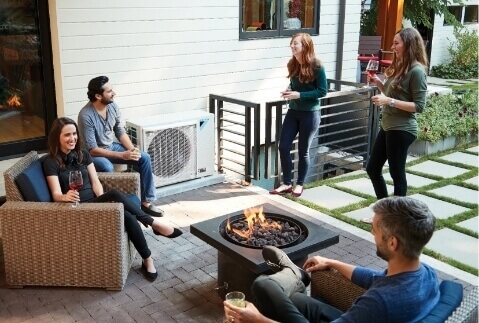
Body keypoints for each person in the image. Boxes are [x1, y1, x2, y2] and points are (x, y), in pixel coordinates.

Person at [223, 196, 439, 322]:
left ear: (392, 243)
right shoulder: (425, 274)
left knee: (263, 285)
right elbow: (375, 278)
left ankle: (293, 274)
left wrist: (257, 320)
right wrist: (333, 263)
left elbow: (379, 294)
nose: (372, 234)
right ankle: (294, 275)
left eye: (374, 229)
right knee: (290, 298)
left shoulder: (378, 303)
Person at [43, 117, 183, 282]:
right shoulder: (50, 162)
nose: (72, 138)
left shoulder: (83, 155)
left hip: (96, 203)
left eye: (74, 134)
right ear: (57, 137)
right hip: (78, 208)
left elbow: (96, 183)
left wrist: (103, 202)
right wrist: (65, 196)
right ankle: (153, 224)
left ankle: (147, 259)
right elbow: (56, 194)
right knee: (117, 195)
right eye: (67, 135)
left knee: (126, 212)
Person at [77, 76, 163, 217]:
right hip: (93, 155)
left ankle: (146, 202)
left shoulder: (112, 106)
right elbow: (92, 149)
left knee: (144, 157)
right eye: (109, 91)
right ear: (98, 96)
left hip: (110, 146)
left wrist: (132, 150)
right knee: (107, 167)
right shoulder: (86, 115)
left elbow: (119, 131)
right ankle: (112, 206)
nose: (114, 93)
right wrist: (123, 155)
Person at [366, 28, 428, 202]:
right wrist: (379, 83)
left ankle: (397, 218)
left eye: (396, 43)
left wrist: (389, 101)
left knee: (397, 174)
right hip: (389, 125)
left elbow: (419, 106)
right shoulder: (401, 66)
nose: (392, 47)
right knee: (373, 169)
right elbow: (394, 93)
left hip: (402, 128)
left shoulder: (417, 71)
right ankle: (385, 210)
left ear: (409, 44)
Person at [269, 33, 328, 198]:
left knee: (303, 151)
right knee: (283, 146)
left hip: (310, 114)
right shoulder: (292, 63)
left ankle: (299, 184)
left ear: (305, 46)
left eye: (296, 44)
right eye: (292, 44)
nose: (293, 46)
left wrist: (299, 95)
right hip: (293, 111)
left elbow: (322, 91)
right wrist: (289, 90)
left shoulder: (317, 66)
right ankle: (287, 183)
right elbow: (294, 83)